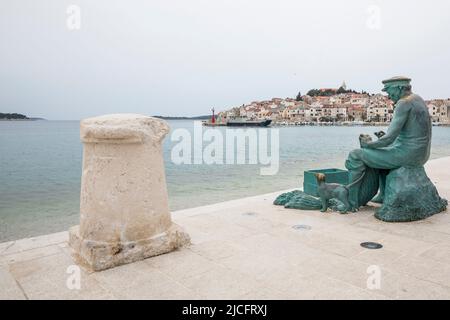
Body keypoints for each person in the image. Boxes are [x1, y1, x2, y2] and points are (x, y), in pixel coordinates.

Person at [345, 76, 432, 209]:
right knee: (381, 152)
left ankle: (350, 202)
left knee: (355, 155)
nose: (389, 96)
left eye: (389, 92)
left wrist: (368, 145)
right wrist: (380, 143)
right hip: (422, 154)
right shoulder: (418, 99)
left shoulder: (403, 103)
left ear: (399, 88)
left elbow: (389, 139)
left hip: (408, 154)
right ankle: (384, 194)